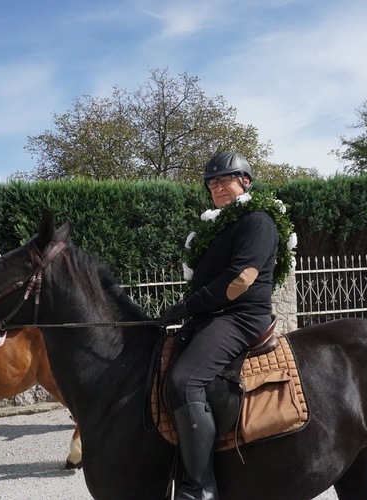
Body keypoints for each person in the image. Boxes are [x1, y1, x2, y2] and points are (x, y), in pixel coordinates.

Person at [158, 152, 278, 499]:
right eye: (212, 183)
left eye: (225, 180)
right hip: (212, 317)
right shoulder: (221, 227)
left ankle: (200, 488)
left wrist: (188, 306)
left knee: (183, 381)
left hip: (239, 318)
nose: (218, 187)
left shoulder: (257, 221)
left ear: (246, 183)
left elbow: (241, 279)